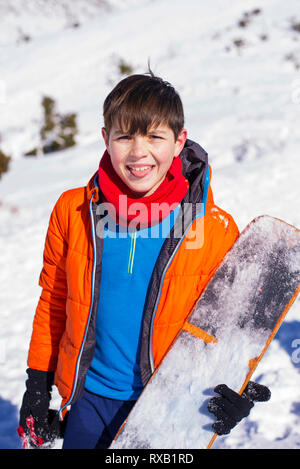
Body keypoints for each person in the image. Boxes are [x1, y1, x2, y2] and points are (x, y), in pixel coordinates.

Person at [17, 71, 270, 449]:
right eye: (124, 136)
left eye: (155, 136)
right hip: (89, 399)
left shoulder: (210, 226)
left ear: (179, 140)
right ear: (105, 139)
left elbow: (228, 322)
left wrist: (238, 383)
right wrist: (37, 382)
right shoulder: (74, 211)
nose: (139, 152)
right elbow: (54, 297)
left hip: (167, 405)